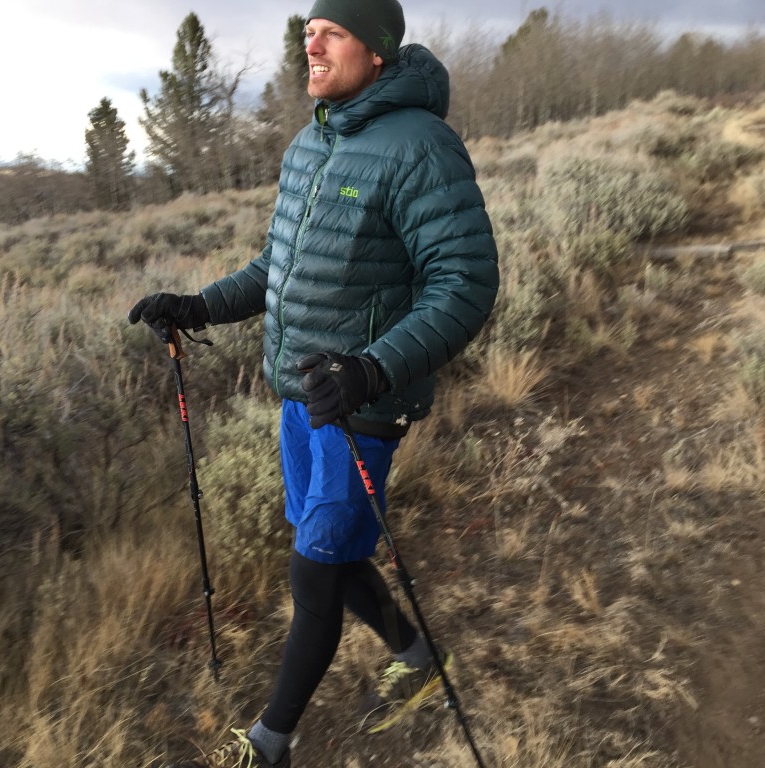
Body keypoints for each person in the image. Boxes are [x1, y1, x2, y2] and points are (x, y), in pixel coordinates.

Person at [129, 0, 499, 764]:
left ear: (378, 51)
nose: (312, 41)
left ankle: (270, 743)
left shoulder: (422, 146)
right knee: (329, 548)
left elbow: (463, 283)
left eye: (332, 31)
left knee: (314, 568)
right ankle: (420, 660)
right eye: (309, 31)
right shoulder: (312, 143)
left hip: (364, 404)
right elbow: (279, 270)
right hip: (304, 397)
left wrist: (373, 368)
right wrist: (198, 305)